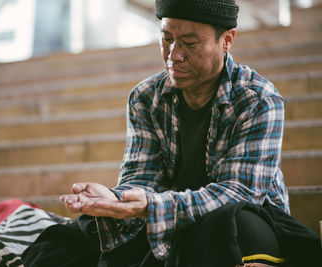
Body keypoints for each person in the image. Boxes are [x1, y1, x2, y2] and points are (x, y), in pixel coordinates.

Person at [52, 0, 320, 266]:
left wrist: (151, 207)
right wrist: (117, 199)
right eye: (167, 38)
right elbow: (142, 178)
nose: (174, 55)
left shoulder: (258, 99)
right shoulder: (145, 97)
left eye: (190, 44)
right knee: (66, 238)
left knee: (227, 222)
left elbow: (240, 194)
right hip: (173, 218)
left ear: (227, 40)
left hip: (243, 220)